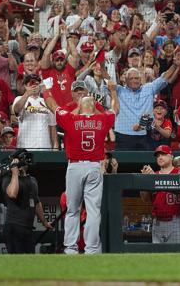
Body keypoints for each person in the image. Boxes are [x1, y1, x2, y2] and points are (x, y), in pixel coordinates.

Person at [57, 96, 112, 254]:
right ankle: (92, 249)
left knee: (72, 209)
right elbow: (115, 109)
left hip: (75, 166)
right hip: (94, 165)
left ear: (80, 108)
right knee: (94, 210)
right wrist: (110, 96)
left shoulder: (71, 119)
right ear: (94, 108)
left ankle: (71, 248)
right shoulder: (101, 119)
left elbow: (54, 106)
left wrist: (76, 101)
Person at [1, 153, 53, 253]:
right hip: (14, 227)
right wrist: (15, 173)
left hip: (28, 229)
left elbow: (36, 202)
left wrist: (44, 222)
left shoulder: (33, 180)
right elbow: (12, 194)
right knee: (16, 262)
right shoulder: (8, 178)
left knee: (29, 261)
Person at [141, 145, 180, 243]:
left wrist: (155, 179)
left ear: (171, 157)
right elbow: (145, 198)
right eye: (158, 156)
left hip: (175, 220)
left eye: (163, 154)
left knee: (175, 254)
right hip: (157, 222)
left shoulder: (179, 171)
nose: (160, 157)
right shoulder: (154, 175)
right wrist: (144, 181)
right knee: (157, 255)